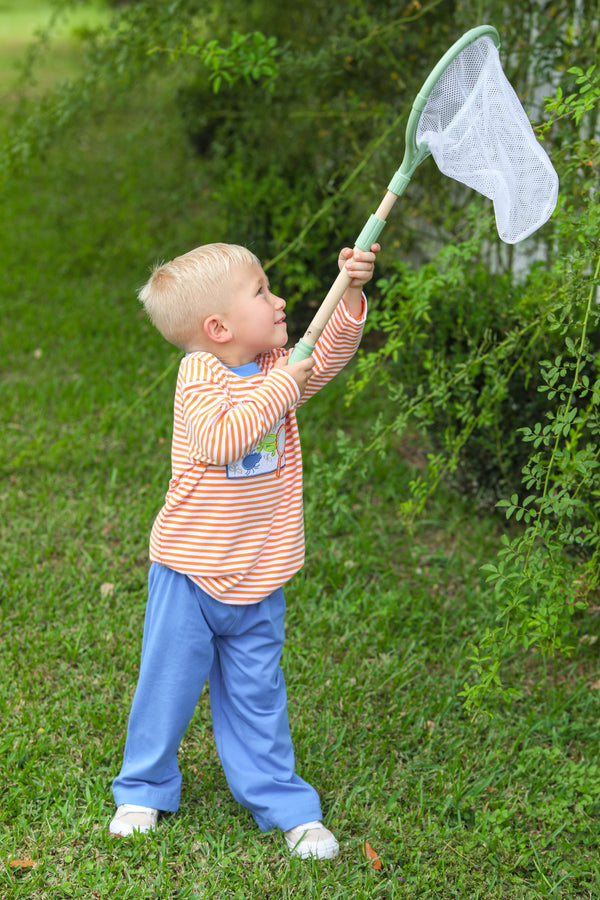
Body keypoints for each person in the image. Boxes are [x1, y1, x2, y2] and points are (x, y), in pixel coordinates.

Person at [109, 240, 380, 858]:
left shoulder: (274, 367)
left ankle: (284, 802)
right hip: (190, 576)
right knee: (167, 688)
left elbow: (328, 350)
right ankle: (144, 786)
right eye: (262, 292)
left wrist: (353, 290)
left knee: (259, 698)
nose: (280, 299)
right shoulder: (201, 377)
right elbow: (224, 439)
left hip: (260, 576)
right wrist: (286, 380)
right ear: (218, 328)